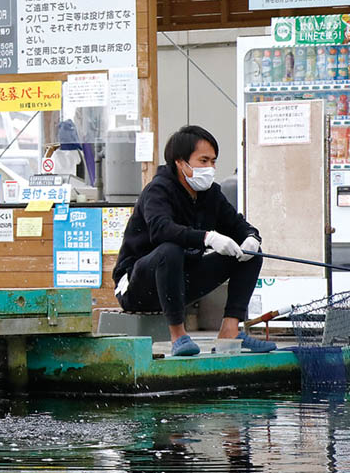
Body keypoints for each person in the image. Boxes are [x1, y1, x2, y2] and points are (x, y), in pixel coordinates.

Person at [112, 125, 275, 357]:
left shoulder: (212, 195)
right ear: (180, 162)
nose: (210, 168)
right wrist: (207, 238)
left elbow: (240, 226)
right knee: (170, 250)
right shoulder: (157, 190)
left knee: (250, 255)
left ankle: (230, 331)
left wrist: (251, 239)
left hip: (181, 280)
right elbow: (161, 230)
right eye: (204, 160)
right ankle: (178, 335)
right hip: (139, 287)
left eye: (213, 161)